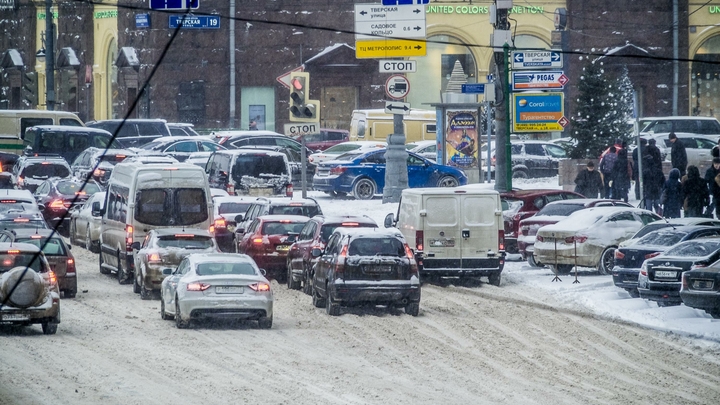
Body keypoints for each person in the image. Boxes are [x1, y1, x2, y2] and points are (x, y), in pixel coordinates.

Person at [643, 138, 665, 214]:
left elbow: (644, 181)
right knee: (657, 203)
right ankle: (659, 215)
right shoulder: (656, 150)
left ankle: (649, 215)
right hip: (656, 188)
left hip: (649, 189)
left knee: (648, 206)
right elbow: (659, 160)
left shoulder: (646, 150)